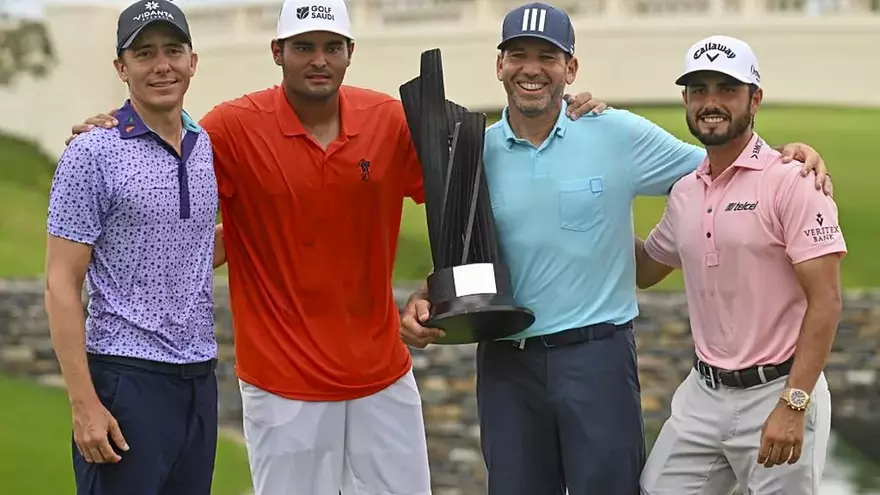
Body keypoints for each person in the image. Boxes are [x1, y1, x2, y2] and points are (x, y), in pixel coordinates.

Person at [62, 0, 604, 493]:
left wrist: (431, 292)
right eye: (303, 47)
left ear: (349, 54)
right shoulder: (230, 129)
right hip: (281, 384)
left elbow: (460, 205)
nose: (317, 59)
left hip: (382, 376)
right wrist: (111, 131)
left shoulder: (388, 121)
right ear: (278, 52)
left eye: (330, 47)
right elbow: (171, 185)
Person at [399, 4, 832, 495]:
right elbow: (464, 247)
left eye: (548, 56)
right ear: (500, 65)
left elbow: (726, 162)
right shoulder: (478, 149)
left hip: (596, 359)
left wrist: (793, 158)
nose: (532, 68)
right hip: (506, 364)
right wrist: (426, 297)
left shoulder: (617, 134)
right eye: (518, 55)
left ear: (571, 68)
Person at [635, 34, 845, 494]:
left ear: (755, 99)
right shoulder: (687, 191)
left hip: (780, 390)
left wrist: (794, 404)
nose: (711, 102)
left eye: (726, 89)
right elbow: (645, 270)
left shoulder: (793, 182)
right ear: (686, 101)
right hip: (702, 394)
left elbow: (826, 302)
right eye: (699, 90)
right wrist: (598, 201)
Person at [44, 1, 224, 494]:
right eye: (144, 53)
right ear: (122, 69)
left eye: (172, 50)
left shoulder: (205, 146)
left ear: (192, 60)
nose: (161, 64)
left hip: (198, 380)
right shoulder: (92, 152)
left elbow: (188, 247)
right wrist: (84, 404)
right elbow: (61, 282)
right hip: (127, 381)